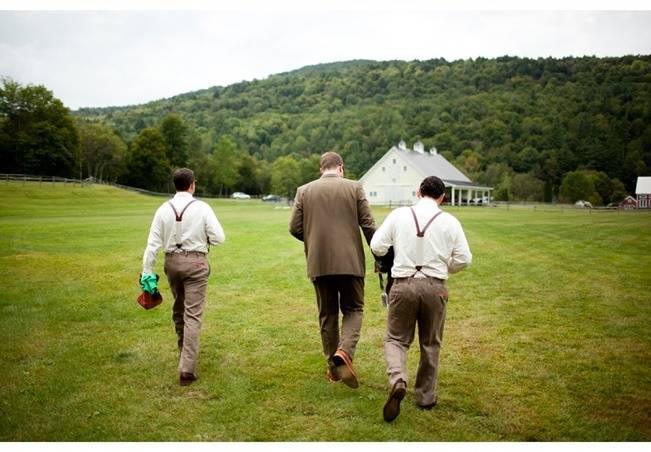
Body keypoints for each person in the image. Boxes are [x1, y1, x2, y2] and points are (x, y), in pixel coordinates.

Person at [370, 175, 472, 422]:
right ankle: (425, 396)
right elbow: (464, 259)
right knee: (430, 342)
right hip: (435, 286)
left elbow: (377, 246)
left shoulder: (399, 215)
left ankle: (397, 379)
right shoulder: (450, 221)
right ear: (442, 198)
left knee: (396, 338)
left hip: (403, 284)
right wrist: (445, 268)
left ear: (418, 193)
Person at [289, 151, 376, 388]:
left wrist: (314, 240)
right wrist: (381, 254)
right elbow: (368, 225)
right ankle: (345, 352)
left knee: (327, 314)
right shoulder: (355, 188)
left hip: (319, 262)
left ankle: (335, 368)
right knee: (354, 309)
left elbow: (294, 228)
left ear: (321, 169)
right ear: (341, 168)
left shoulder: (304, 191)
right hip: (350, 263)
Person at [141, 168, 225, 386]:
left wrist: (147, 273)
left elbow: (152, 245)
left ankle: (183, 353)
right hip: (197, 262)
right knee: (193, 314)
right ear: (192, 185)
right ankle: (187, 368)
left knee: (179, 310)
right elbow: (219, 238)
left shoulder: (162, 209)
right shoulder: (202, 208)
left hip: (172, 263)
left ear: (174, 185)